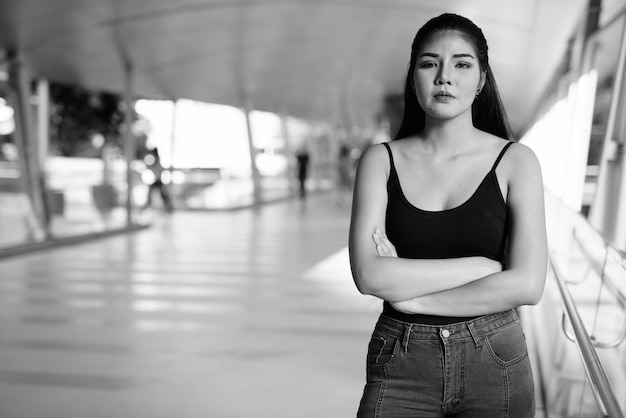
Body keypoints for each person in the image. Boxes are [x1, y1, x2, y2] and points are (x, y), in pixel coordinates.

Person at [349, 13, 547, 417]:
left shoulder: (516, 162)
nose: (444, 76)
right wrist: (480, 267)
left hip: (495, 359)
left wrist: (411, 301)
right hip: (401, 361)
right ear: (414, 77)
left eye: (461, 64)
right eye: (429, 63)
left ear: (481, 80)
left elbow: (527, 285)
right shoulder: (381, 161)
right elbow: (370, 276)